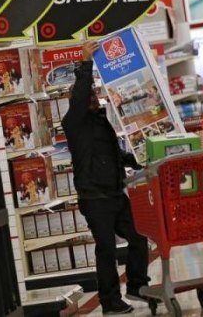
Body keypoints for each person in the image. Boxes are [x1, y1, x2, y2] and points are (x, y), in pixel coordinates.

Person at [62, 41, 150, 315]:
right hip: (94, 197)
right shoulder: (73, 122)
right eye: (89, 94)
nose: (94, 96)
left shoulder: (101, 121)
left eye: (94, 94)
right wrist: (85, 62)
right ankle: (110, 302)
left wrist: (137, 159)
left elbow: (113, 153)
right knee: (107, 250)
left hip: (114, 194)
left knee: (139, 238)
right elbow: (80, 96)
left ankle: (137, 285)